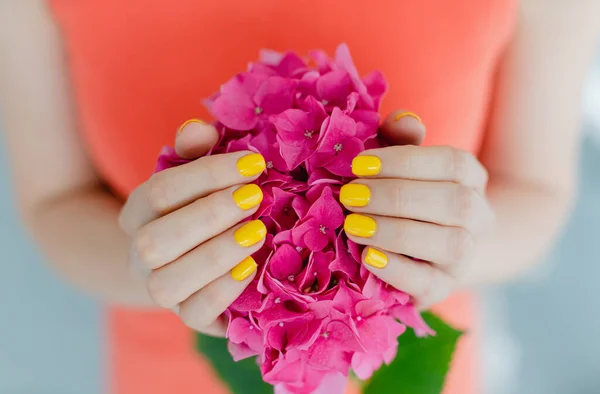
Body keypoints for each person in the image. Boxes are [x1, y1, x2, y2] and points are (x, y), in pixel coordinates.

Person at [1, 1, 598, 394]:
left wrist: (460, 241)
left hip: (393, 360)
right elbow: (55, 201)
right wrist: (147, 261)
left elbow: (539, 192)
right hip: (166, 367)